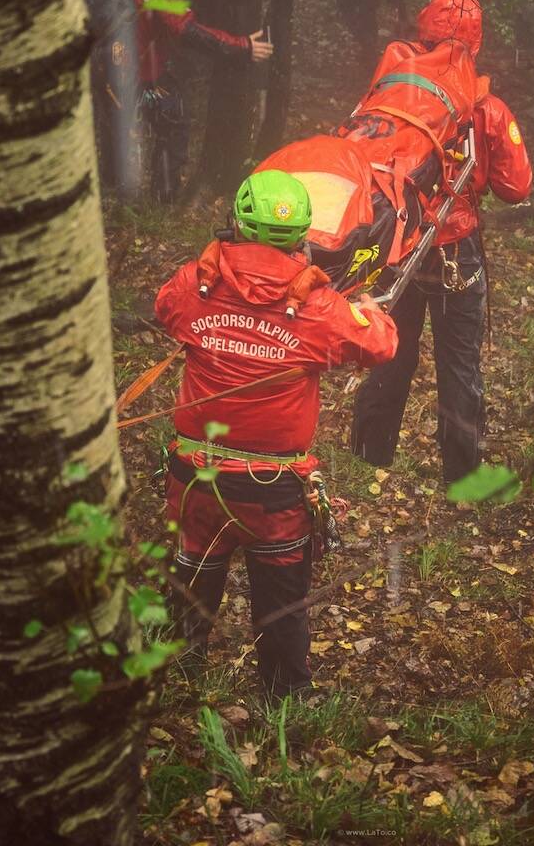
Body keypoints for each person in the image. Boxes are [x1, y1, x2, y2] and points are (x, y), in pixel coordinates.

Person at [154, 169, 397, 697]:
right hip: (273, 490)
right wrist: (372, 312)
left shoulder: (194, 284)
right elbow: (379, 346)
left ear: (237, 221)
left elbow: (165, 309)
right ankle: (283, 697)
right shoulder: (318, 308)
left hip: (197, 476)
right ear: (303, 234)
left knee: (191, 577)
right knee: (282, 598)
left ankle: (173, 682)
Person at [350, 0, 533, 488]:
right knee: (458, 365)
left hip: (400, 241)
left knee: (390, 352)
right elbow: (516, 187)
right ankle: (461, 478)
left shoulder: (392, 91)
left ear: (423, 31)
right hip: (456, 251)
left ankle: (368, 458)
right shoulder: (485, 107)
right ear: (476, 42)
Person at [90, 0, 273, 202]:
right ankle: (162, 202)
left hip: (103, 76)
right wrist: (242, 46)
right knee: (173, 121)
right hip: (142, 80)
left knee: (113, 129)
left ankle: (111, 195)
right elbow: (190, 31)